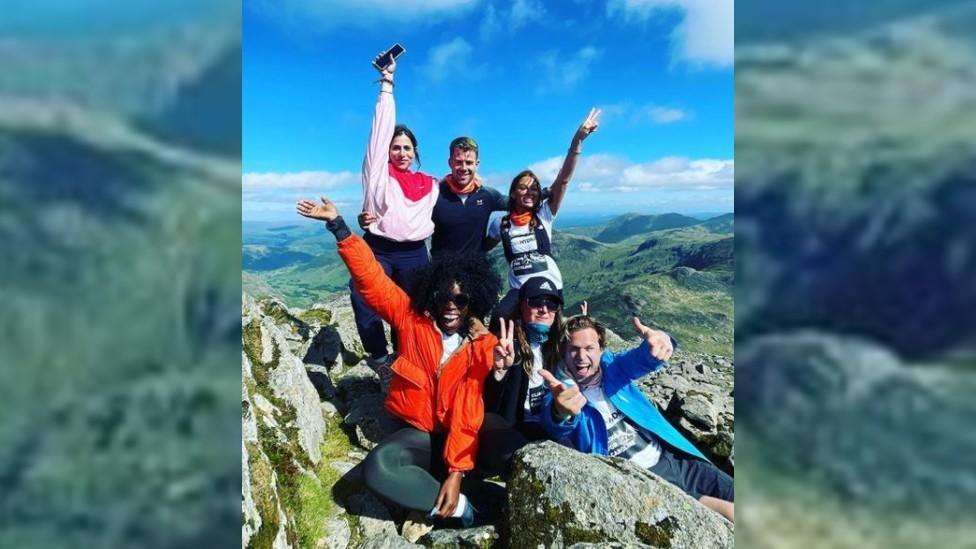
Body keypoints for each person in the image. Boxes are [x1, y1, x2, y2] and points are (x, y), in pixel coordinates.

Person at [296, 197, 508, 531]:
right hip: (420, 435)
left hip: (462, 436)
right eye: (444, 297)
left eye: (461, 299)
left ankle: (452, 490)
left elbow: (468, 411)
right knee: (379, 466)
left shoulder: (483, 345)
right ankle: (464, 508)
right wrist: (339, 227)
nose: (451, 306)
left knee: (514, 446)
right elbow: (373, 281)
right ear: (431, 296)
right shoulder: (411, 320)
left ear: (473, 302)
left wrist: (456, 469)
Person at [539, 315, 735, 523]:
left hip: (676, 460)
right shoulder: (560, 392)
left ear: (601, 349)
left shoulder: (613, 369)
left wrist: (659, 345)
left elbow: (639, 359)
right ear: (563, 352)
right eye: (574, 349)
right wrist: (560, 411)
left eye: (589, 348)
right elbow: (554, 422)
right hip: (643, 482)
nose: (581, 356)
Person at [353, 51, 439, 389]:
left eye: (407, 148)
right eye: (395, 147)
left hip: (416, 254)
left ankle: (406, 362)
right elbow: (380, 130)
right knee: (363, 298)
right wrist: (387, 84)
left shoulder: (431, 184)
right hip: (379, 249)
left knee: (411, 311)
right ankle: (379, 359)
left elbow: (463, 200)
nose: (400, 152)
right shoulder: (378, 174)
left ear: (415, 153)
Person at [486, 107, 601, 325]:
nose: (529, 192)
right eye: (522, 188)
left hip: (550, 286)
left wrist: (578, 140)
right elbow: (485, 244)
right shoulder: (500, 223)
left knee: (552, 336)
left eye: (534, 188)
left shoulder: (544, 214)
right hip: (519, 290)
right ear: (512, 192)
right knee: (499, 319)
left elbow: (563, 180)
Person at [360, 136, 508, 257]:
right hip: (441, 272)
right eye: (458, 162)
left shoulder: (488, 195)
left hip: (476, 272)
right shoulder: (434, 193)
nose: (463, 168)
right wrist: (367, 220)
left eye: (468, 163)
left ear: (477, 164)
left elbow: (519, 203)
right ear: (450, 163)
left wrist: (495, 233)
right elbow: (400, 215)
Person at [477, 276, 565, 476]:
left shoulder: (559, 346)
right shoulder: (508, 347)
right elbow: (488, 406)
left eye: (551, 304)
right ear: (521, 306)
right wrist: (499, 372)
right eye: (536, 302)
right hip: (513, 429)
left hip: (549, 427)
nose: (544, 309)